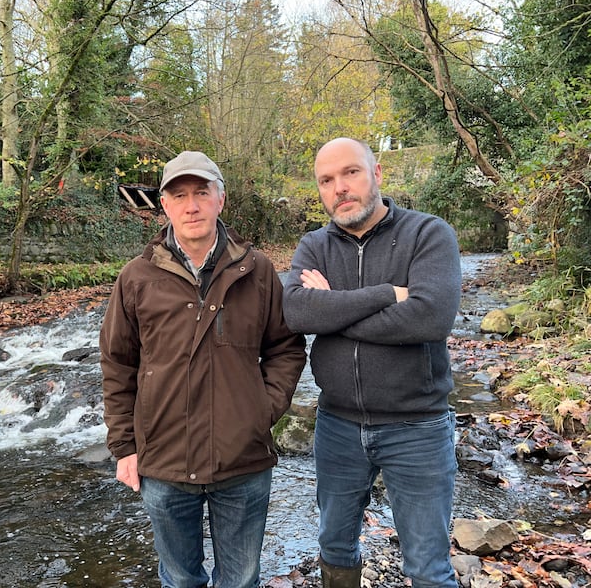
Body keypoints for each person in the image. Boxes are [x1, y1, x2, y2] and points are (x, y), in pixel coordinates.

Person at [100, 150, 307, 588]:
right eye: (179, 195)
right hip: (163, 461)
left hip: (243, 460)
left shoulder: (259, 271)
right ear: (165, 205)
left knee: (241, 579)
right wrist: (124, 448)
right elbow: (118, 365)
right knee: (179, 579)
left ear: (221, 200)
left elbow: (286, 348)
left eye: (201, 192)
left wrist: (260, 411)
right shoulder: (135, 278)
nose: (191, 205)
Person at [282, 137, 462, 588]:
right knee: (336, 547)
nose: (340, 187)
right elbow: (297, 313)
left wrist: (335, 311)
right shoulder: (314, 245)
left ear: (377, 174)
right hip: (338, 426)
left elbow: (429, 318)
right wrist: (385, 294)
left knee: (427, 567)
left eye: (351, 173)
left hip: (417, 428)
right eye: (327, 180)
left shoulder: (428, 233)